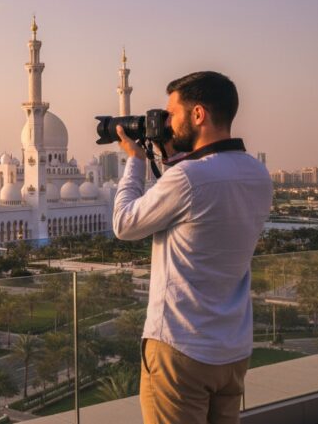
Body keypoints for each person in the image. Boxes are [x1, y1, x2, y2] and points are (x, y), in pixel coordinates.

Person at [113, 71, 271, 424]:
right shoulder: (258, 174)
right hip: (231, 351)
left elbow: (124, 224)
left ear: (198, 115)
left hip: (180, 349)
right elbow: (197, 205)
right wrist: (170, 161)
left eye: (172, 114)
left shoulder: (187, 178)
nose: (166, 123)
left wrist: (136, 161)